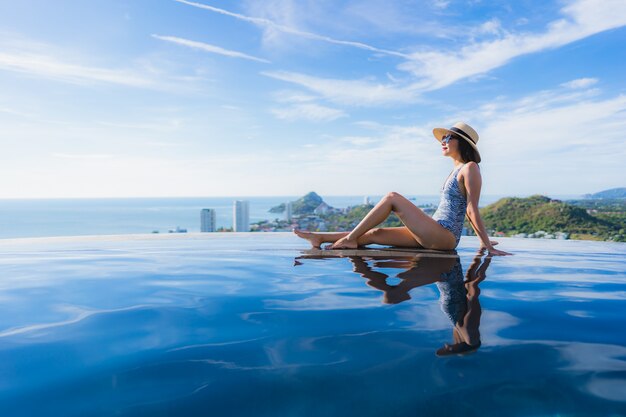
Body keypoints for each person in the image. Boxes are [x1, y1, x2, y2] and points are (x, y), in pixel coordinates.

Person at [294, 122, 511, 256]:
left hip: (444, 236)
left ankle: (349, 238)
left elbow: (471, 208)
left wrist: (485, 244)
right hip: (435, 229)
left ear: (462, 143)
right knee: (374, 234)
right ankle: (320, 237)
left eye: (448, 138)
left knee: (392, 198)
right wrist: (485, 240)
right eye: (443, 138)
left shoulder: (470, 168)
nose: (443, 141)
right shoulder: (455, 170)